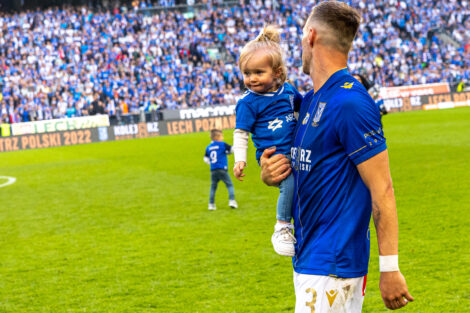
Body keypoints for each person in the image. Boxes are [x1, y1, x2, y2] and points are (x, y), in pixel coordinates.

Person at [259, 2, 413, 312]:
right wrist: (271, 172)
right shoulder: (314, 99)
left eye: (302, 35)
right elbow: (307, 169)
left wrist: (390, 267)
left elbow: (382, 188)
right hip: (310, 256)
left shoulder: (350, 102)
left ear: (311, 36)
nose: (300, 44)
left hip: (334, 265)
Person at [232, 25, 302, 257]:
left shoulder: (289, 91)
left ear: (278, 72)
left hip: (297, 149)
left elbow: (303, 110)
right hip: (274, 154)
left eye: (258, 72)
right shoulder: (248, 102)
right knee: (288, 182)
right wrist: (240, 160)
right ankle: (282, 226)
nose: (251, 79)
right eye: (246, 74)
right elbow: (241, 133)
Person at [204, 129, 238, 211]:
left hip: (213, 170)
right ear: (217, 137)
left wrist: (212, 163)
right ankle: (232, 201)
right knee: (229, 184)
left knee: (213, 187)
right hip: (222, 169)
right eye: (221, 136)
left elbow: (205, 159)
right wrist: (228, 152)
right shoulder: (222, 145)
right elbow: (232, 149)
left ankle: (211, 204)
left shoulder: (208, 147)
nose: (222, 138)